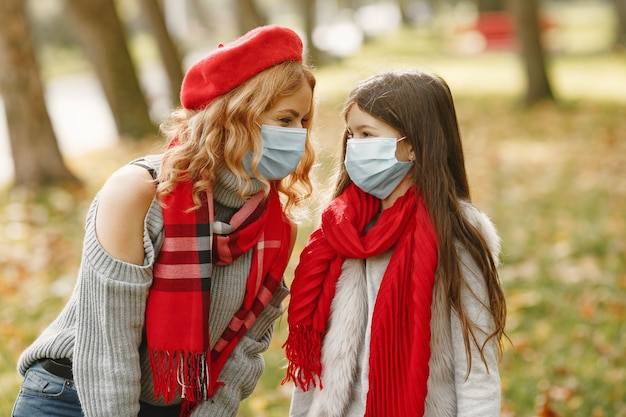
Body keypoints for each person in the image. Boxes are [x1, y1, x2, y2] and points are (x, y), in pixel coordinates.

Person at [12, 25, 316, 417]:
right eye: (286, 120)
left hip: (173, 408)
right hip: (72, 395)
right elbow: (109, 345)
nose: (299, 136)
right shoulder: (139, 192)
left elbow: (245, 352)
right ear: (235, 116)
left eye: (304, 122)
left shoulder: (275, 229)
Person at [283, 69, 507, 417]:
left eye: (367, 134)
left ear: (413, 146)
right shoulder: (341, 228)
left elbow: (477, 367)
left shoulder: (456, 232)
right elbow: (314, 360)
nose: (354, 146)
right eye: (352, 134)